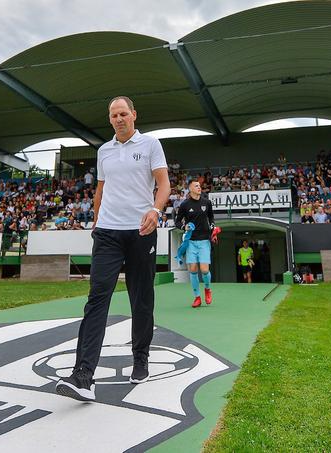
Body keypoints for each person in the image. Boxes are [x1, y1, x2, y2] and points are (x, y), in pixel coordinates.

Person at [55, 96, 170, 402]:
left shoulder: (150, 145)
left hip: (141, 231)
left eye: (123, 113)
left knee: (141, 298)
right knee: (97, 298)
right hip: (107, 232)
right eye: (113, 115)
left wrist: (155, 211)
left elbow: (164, 184)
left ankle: (141, 357)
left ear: (134, 115)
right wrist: (95, 221)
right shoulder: (104, 151)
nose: (119, 118)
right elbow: (101, 189)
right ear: (110, 119)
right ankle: (83, 375)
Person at [174, 180, 216, 307]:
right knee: (192, 269)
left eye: (199, 186)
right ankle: (197, 297)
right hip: (191, 241)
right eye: (196, 186)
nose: (199, 187)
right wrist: (184, 227)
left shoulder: (207, 202)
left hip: (204, 241)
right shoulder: (185, 205)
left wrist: (213, 226)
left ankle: (207, 289)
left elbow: (211, 218)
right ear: (190, 188)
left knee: (204, 270)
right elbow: (177, 221)